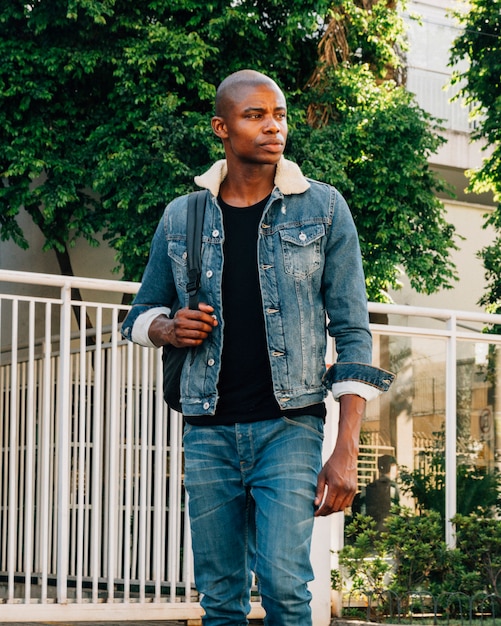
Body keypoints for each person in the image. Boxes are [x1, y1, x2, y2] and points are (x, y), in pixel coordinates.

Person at [121, 69, 394, 626]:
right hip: (207, 429)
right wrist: (171, 329)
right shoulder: (183, 215)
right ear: (221, 127)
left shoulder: (323, 209)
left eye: (281, 115)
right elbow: (139, 316)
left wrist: (345, 449)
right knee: (219, 596)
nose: (274, 128)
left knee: (286, 586)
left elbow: (353, 330)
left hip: (289, 427)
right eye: (256, 116)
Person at [363, 454, 400, 532]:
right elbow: (396, 510)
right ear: (392, 467)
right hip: (388, 528)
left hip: (372, 528)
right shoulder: (393, 487)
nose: (397, 471)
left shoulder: (369, 487)